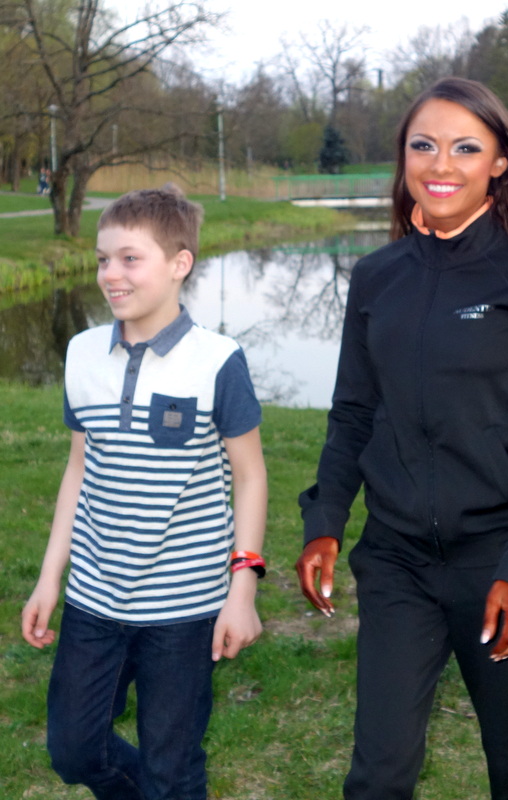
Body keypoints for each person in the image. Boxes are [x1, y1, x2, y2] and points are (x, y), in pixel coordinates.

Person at [296, 77, 508, 800]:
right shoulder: (375, 277)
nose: (440, 164)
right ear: (403, 157)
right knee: (378, 775)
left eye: (465, 148)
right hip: (396, 563)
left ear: (500, 163)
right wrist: (325, 520)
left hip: (500, 559)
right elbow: (352, 411)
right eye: (423, 145)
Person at [21, 186, 268, 800]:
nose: (111, 274)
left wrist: (242, 590)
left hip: (185, 606)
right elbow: (78, 468)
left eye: (130, 259)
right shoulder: (81, 354)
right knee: (74, 750)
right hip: (94, 597)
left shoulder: (218, 360)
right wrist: (50, 578)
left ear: (180, 263)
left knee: (172, 768)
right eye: (103, 259)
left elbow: (250, 476)